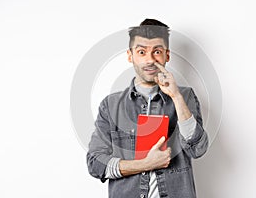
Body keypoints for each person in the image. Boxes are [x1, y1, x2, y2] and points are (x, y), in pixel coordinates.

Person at [87, 18, 208, 198]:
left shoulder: (185, 96)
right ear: (130, 56)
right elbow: (96, 164)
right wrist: (146, 163)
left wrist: (176, 96)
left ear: (167, 55)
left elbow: (197, 149)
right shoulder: (110, 105)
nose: (150, 60)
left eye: (157, 51)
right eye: (142, 51)